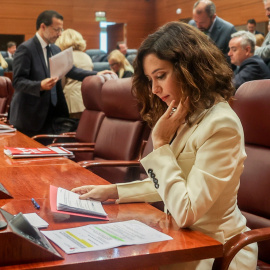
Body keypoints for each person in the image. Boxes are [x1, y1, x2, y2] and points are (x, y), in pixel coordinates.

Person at [72, 22, 257, 270]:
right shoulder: (189, 112)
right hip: (183, 240)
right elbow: (176, 183)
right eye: (150, 79)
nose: (154, 89)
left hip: (215, 252)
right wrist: (113, 192)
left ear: (190, 68)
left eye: (161, 76)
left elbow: (186, 210)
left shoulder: (221, 124)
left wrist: (159, 144)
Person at [9, 10, 113, 137]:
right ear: (43, 27)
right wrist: (40, 85)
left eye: (61, 30)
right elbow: (18, 81)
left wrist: (96, 74)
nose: (59, 34)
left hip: (52, 114)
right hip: (30, 115)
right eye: (57, 30)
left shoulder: (55, 49)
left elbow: (71, 70)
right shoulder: (26, 49)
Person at [55, 29, 94, 119]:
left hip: (72, 101)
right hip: (86, 99)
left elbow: (61, 83)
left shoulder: (65, 56)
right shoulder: (86, 56)